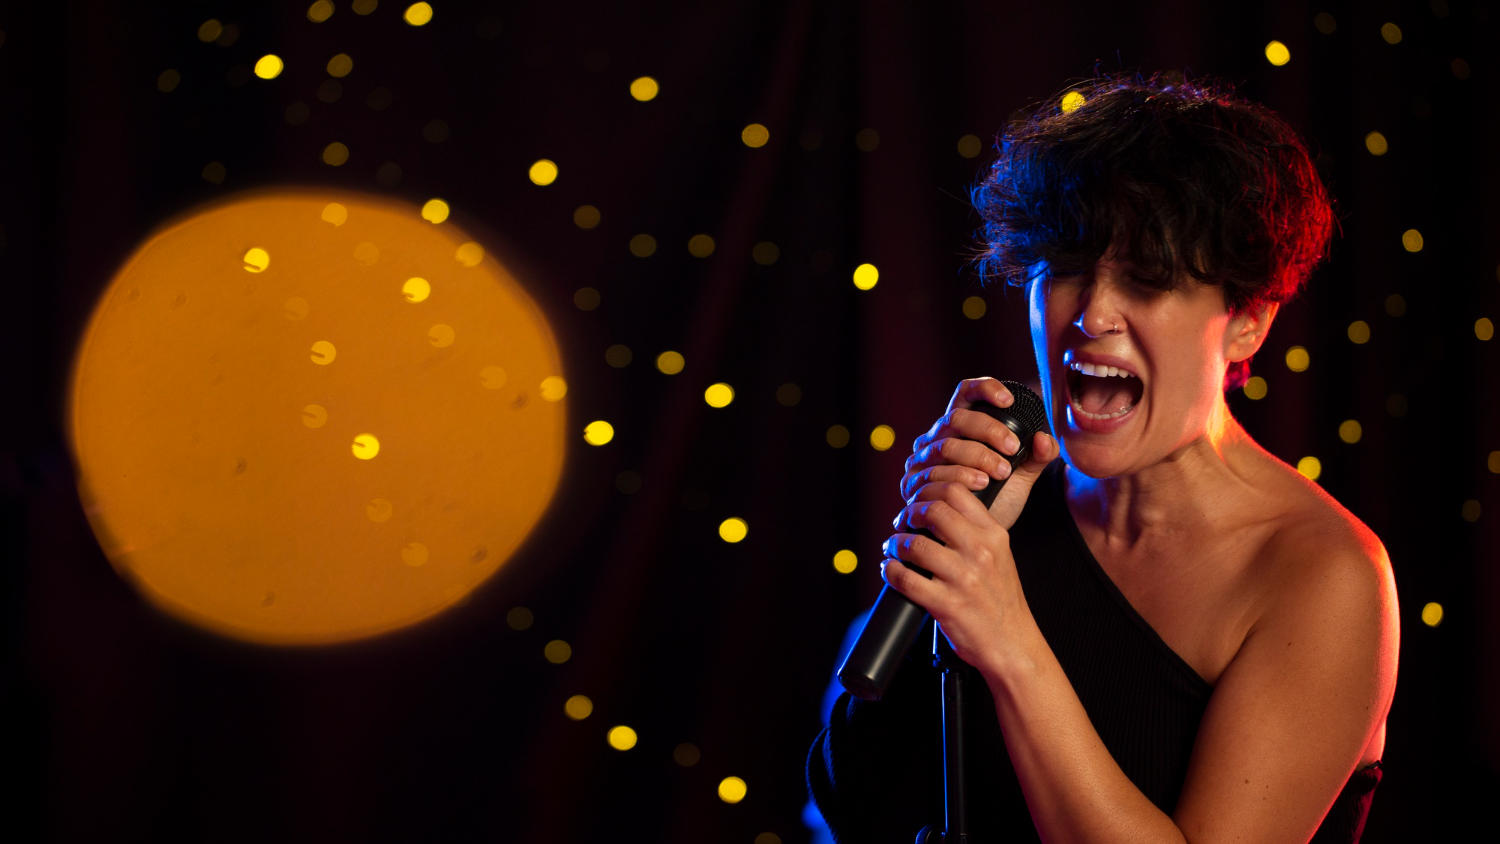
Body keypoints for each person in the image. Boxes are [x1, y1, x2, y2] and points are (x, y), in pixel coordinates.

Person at [807, 74, 1399, 843]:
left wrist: (1009, 641)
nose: (1091, 315)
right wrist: (941, 559)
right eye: (1069, 267)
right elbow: (856, 803)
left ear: (1247, 322)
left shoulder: (1323, 575)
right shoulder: (1007, 508)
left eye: (1149, 278)